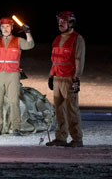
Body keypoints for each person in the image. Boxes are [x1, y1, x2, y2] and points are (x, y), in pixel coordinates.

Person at [46, 11, 85, 147]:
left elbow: (79, 59)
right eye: (59, 22)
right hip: (57, 78)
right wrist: (51, 76)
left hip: (69, 78)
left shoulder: (77, 39)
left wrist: (76, 78)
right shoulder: (57, 39)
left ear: (71, 23)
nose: (60, 24)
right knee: (59, 109)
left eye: (63, 21)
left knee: (71, 109)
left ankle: (77, 138)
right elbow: (54, 60)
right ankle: (61, 137)